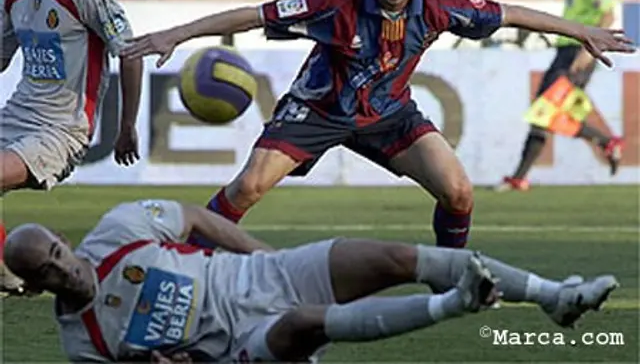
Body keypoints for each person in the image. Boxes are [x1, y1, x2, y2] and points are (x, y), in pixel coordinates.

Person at [121, 0, 634, 253]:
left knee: (458, 191)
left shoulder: (437, 6)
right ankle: (185, 260)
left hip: (389, 112)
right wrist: (175, 34)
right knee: (248, 187)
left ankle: (450, 275)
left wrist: (582, 31)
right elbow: (254, 14)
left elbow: (509, 14)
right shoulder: (336, 0)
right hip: (319, 107)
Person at [3, 198, 619, 362]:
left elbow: (193, 217)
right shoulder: (82, 345)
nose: (64, 266)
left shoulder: (116, 231)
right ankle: (458, 305)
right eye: (48, 270)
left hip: (261, 273)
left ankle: (553, 298)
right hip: (238, 348)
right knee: (303, 325)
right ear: (35, 285)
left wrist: (263, 251)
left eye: (57, 250)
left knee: (392, 257)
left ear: (63, 238)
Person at [0, 0, 143, 292]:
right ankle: (17, 271)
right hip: (16, 115)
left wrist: (126, 125)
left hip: (62, 129)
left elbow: (131, 55)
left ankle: (38, 267)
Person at [498, 0, 624, 192]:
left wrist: (586, 53)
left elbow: (608, 15)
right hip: (565, 52)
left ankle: (520, 177)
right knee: (549, 113)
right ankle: (605, 142)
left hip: (575, 52)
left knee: (545, 112)